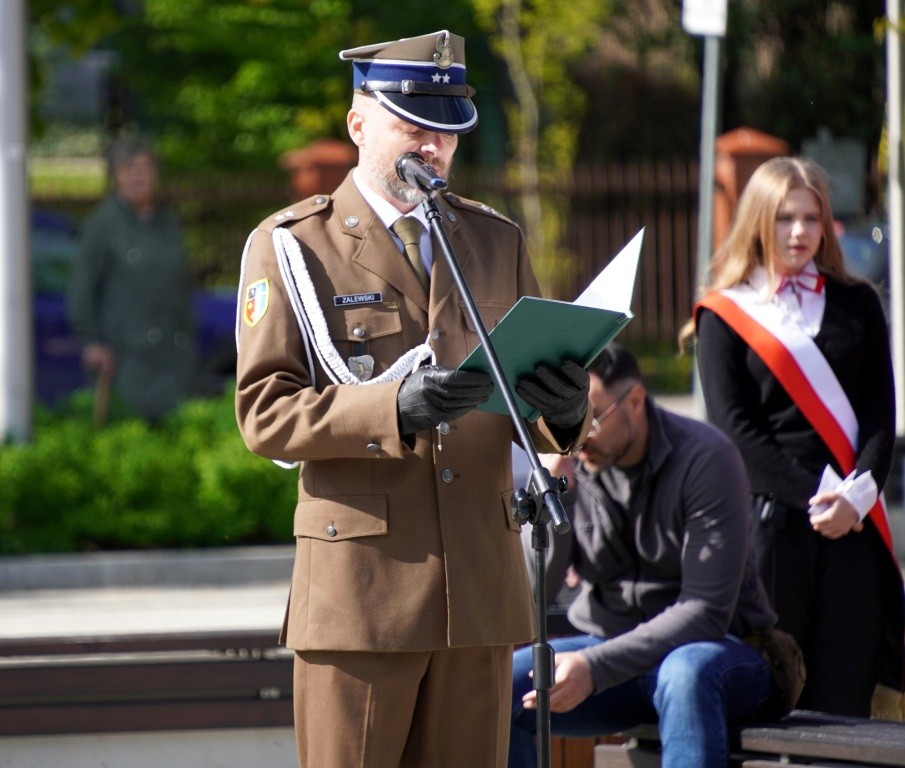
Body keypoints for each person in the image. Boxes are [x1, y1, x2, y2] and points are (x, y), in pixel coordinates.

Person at [234, 30, 591, 768]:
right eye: (412, 126)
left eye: (448, 131)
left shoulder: (492, 240)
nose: (432, 147)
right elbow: (264, 415)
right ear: (358, 124)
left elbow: (530, 409)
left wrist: (563, 410)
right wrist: (393, 408)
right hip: (363, 593)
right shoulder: (294, 244)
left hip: (479, 587)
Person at [688, 156, 904, 717]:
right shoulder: (724, 313)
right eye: (785, 218)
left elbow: (880, 415)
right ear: (759, 221)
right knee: (775, 691)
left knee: (847, 692)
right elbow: (735, 431)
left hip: (852, 524)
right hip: (774, 527)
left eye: (811, 218)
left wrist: (858, 496)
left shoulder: (859, 302)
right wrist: (822, 497)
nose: (799, 232)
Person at [508, 343, 788, 768]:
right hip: (610, 648)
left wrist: (595, 666)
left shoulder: (706, 458)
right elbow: (531, 600)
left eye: (591, 419)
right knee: (503, 683)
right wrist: (551, 495)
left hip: (718, 651)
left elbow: (706, 612)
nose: (579, 436)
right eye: (570, 420)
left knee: (685, 672)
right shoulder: (574, 461)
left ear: (636, 400)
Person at [67, 135, 195, 422]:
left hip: (172, 357)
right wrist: (91, 341)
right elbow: (81, 287)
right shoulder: (102, 225)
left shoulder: (167, 222)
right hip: (125, 361)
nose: (138, 176)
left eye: (144, 167)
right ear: (115, 176)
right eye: (128, 168)